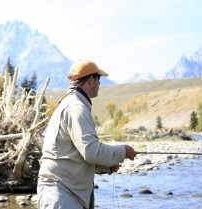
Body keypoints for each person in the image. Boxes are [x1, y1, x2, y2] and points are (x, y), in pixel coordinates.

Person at [37, 60, 137, 209]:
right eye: (99, 79)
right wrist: (123, 151)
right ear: (91, 80)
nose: (100, 84)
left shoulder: (70, 103)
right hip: (62, 195)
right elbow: (91, 151)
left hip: (61, 194)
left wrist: (105, 167)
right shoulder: (76, 108)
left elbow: (74, 153)